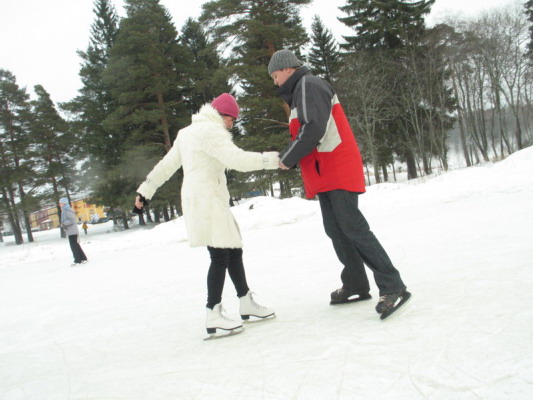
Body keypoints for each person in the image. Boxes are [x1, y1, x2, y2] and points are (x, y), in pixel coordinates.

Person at [268, 49, 410, 318]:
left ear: (287, 69)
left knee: (353, 228)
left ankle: (393, 286)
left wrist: (288, 158)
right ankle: (356, 283)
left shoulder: (308, 84)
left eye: (275, 76)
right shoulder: (299, 92)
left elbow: (313, 128)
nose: (275, 82)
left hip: (336, 167)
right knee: (336, 230)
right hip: (324, 172)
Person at [134, 93, 278, 335]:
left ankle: (245, 301)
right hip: (207, 201)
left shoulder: (187, 133)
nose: (231, 125)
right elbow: (238, 160)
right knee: (220, 255)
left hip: (204, 200)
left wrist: (145, 190)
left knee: (233, 249)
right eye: (231, 120)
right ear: (222, 116)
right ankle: (213, 313)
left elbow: (166, 166)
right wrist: (275, 160)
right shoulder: (211, 131)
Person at [59, 197, 88, 266]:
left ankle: (77, 260)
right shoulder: (65, 210)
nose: (59, 204)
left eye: (60, 203)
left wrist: (64, 223)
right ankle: (83, 258)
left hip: (72, 230)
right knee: (76, 245)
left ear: (64, 203)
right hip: (71, 230)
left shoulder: (67, 210)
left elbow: (72, 220)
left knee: (73, 246)